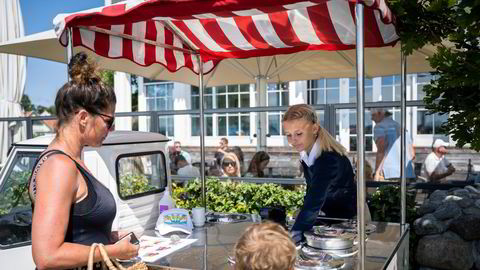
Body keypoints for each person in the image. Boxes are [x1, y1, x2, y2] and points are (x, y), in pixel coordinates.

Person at [27, 52, 139, 270]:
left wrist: (109, 236)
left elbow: (78, 232)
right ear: (84, 118)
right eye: (109, 121)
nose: (112, 129)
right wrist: (115, 251)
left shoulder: (70, 160)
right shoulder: (59, 166)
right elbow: (46, 256)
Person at [282, 104, 356, 243]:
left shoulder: (328, 159)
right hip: (331, 221)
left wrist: (293, 237)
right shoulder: (308, 155)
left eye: (298, 134)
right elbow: (312, 193)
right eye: (288, 135)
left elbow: (314, 201)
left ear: (315, 128)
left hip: (346, 223)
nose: (293, 140)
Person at [370, 108, 416, 181]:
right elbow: (412, 154)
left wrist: (377, 172)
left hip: (389, 172)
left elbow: (381, 150)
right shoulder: (401, 127)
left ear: (380, 113)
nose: (371, 118)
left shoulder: (379, 127)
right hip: (407, 172)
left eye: (373, 115)